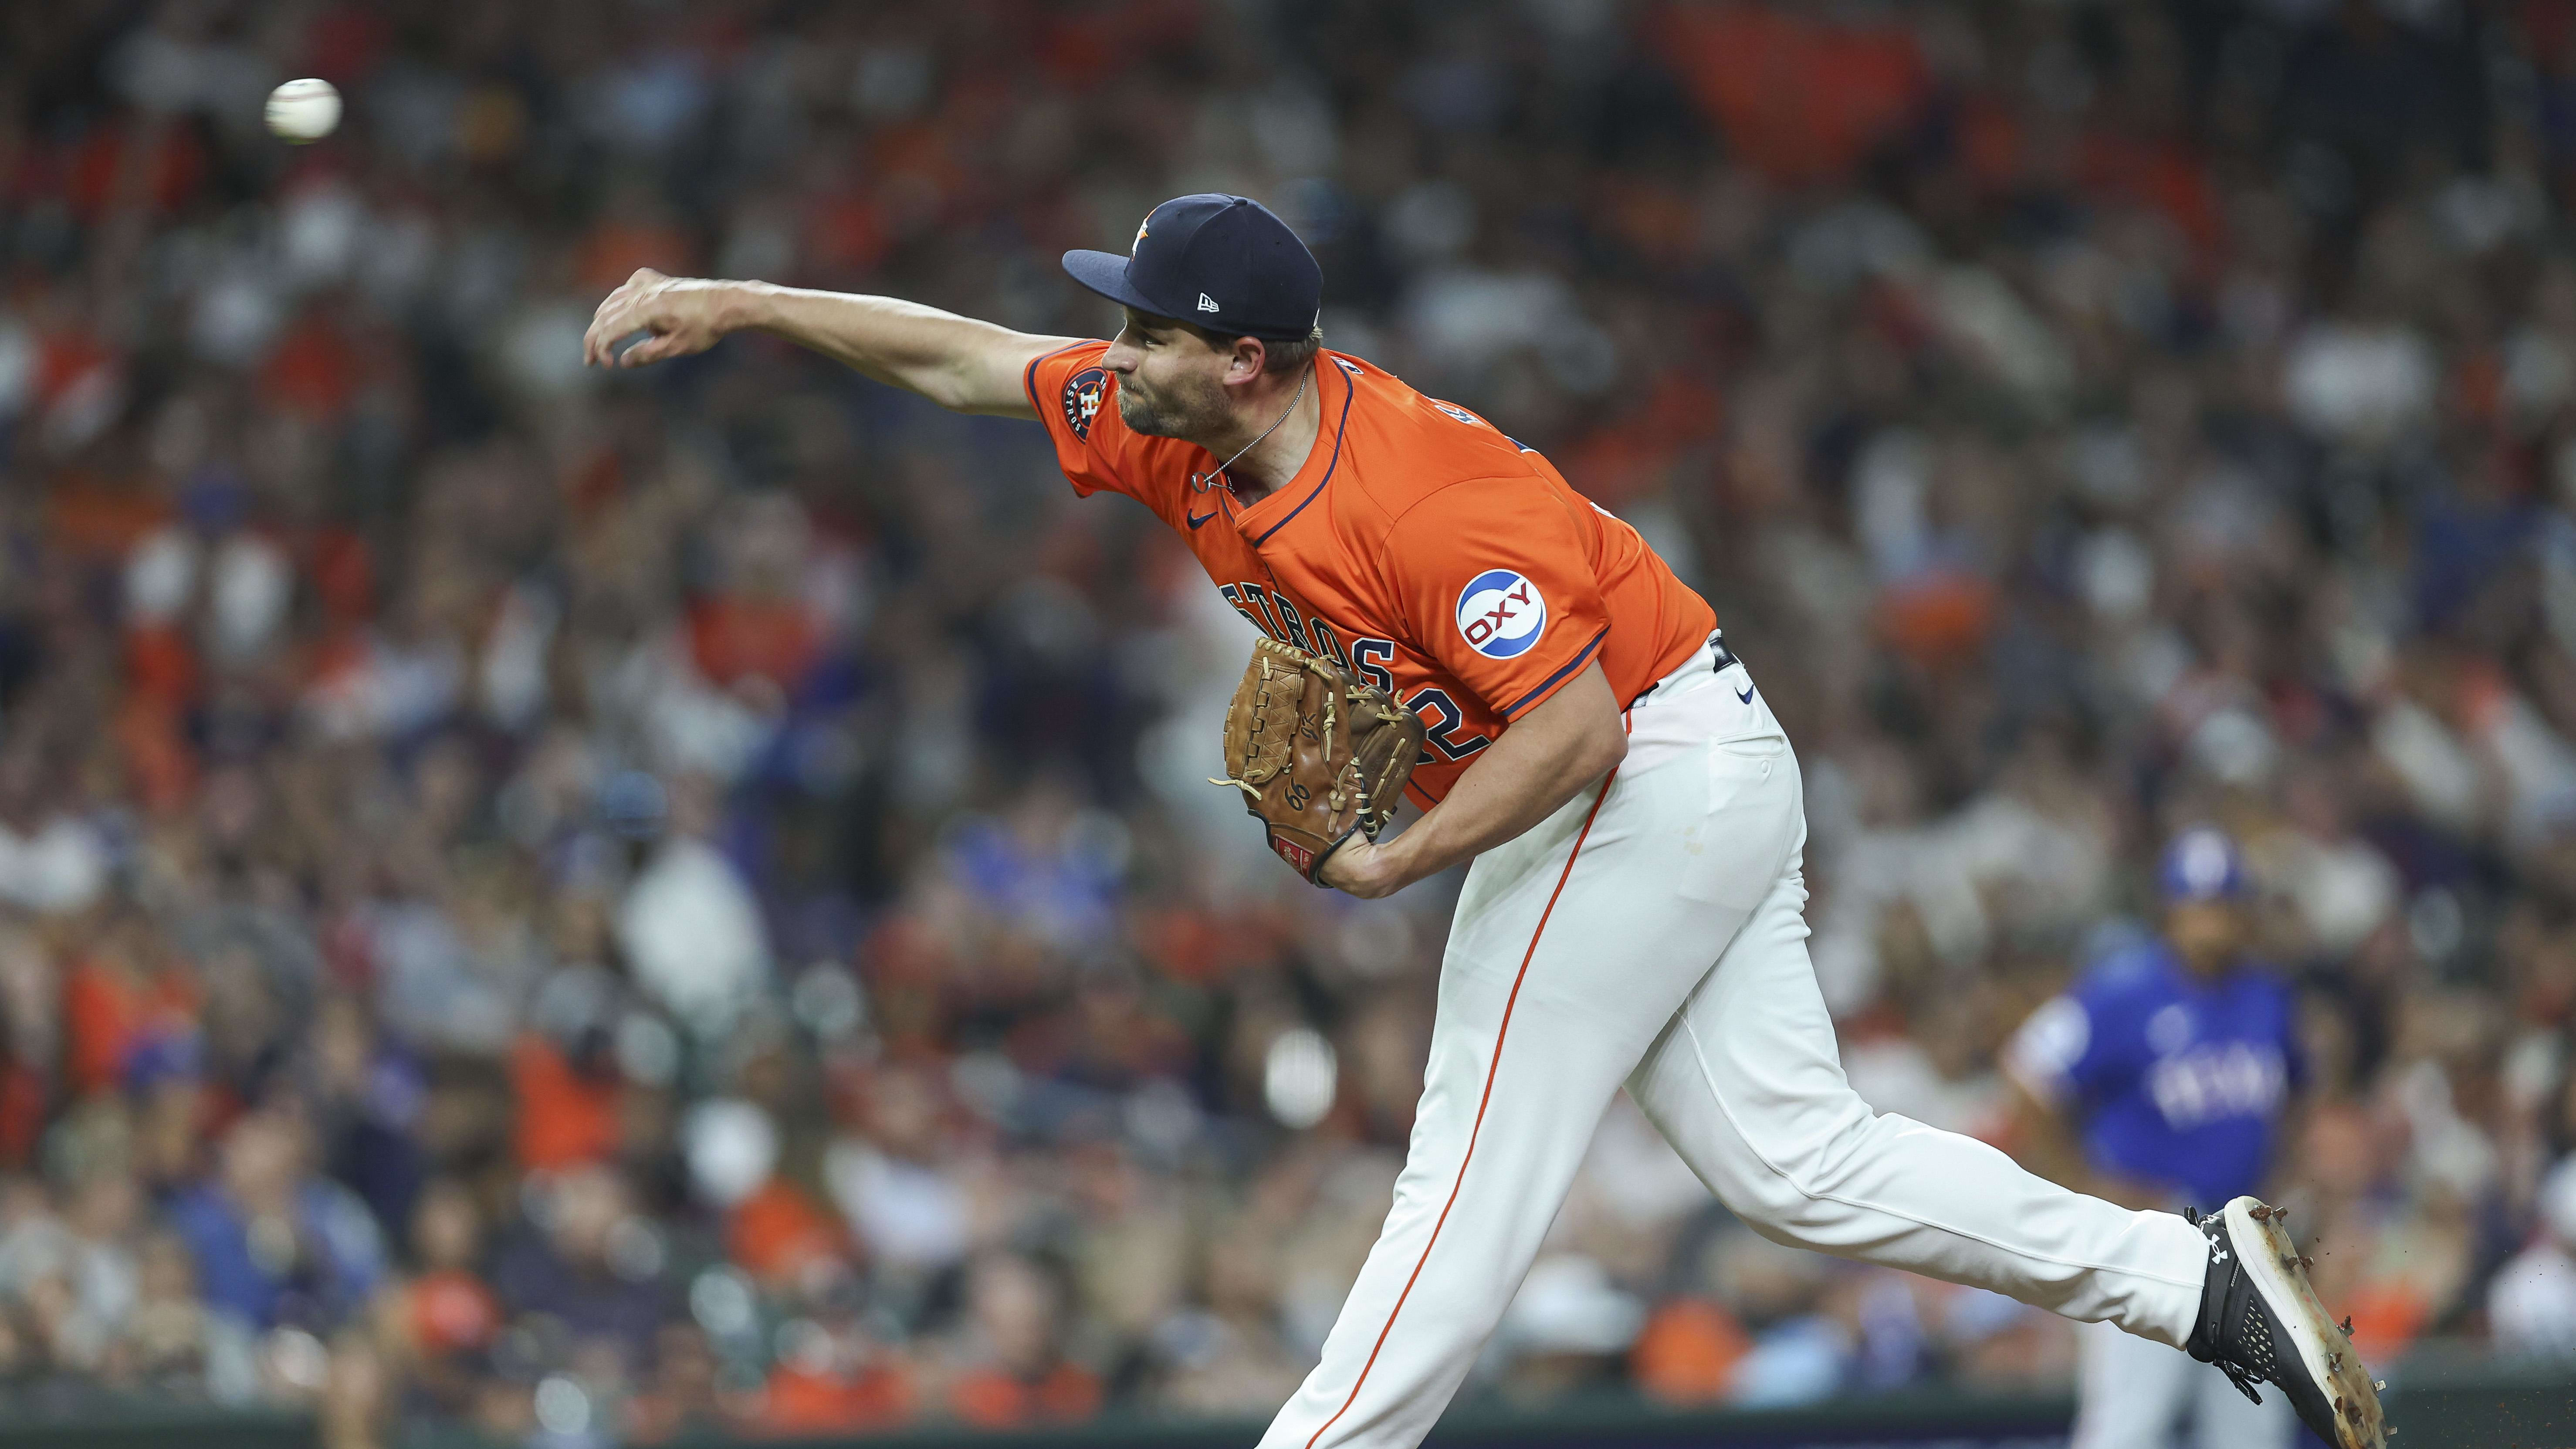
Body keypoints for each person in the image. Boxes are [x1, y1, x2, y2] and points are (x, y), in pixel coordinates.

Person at [582, 193, 2386, 1449]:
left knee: (1462, 1170)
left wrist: (1399, 856)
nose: (1106, 351)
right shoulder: (1177, 424)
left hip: (1641, 769)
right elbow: (971, 359)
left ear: (1243, 360)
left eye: (1142, 328)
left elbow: (1578, 728)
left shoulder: (1417, 501)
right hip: (1682, 755)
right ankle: (2188, 1275)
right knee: (1792, 1163)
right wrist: (742, 303)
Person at [2005, 827, 2305, 1449]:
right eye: (2195, 904)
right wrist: (2084, 1181)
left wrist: (2282, 1177)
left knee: (2251, 1430)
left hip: (2243, 1235)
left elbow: (2301, 1088)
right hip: (2149, 1231)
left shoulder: (2266, 996)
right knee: (2128, 1426)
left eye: (2221, 903)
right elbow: (2029, 1068)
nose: (2209, 920)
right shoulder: (2122, 988)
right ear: (2167, 910)